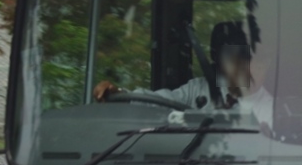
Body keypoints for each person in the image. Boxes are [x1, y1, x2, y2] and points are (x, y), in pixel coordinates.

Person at [93, 21, 274, 129]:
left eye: (262, 62)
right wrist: (121, 95)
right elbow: (159, 101)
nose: (255, 68)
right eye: (248, 59)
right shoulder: (198, 88)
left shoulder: (272, 110)